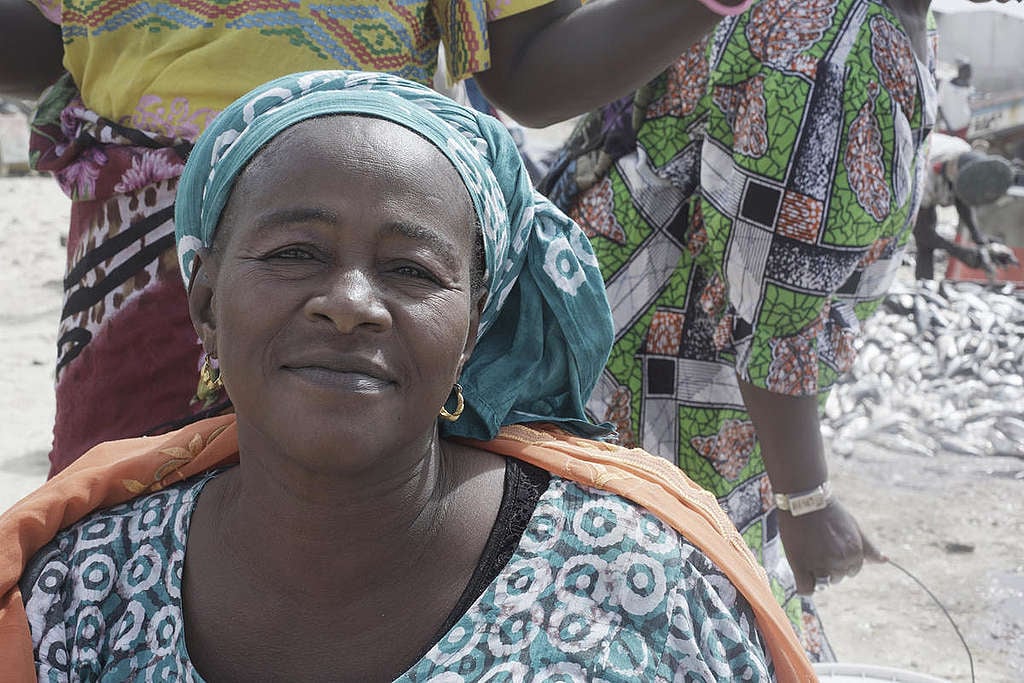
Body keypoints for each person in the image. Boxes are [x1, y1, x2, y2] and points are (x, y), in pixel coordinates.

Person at [0, 71, 815, 681]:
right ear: (207, 303)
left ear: (474, 326)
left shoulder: (641, 586)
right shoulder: (82, 593)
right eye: (295, 253)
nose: (351, 304)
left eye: (411, 270)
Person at [0, 0, 756, 476]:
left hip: (373, 217)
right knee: (124, 540)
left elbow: (524, 65)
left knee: (367, 538)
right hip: (133, 266)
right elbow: (66, 37)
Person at [538, 0, 961, 658]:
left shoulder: (870, 22)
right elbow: (772, 307)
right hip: (663, 375)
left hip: (664, 360)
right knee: (688, 617)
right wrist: (805, 501)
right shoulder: (828, 49)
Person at [914, 132, 1018, 279]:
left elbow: (963, 201)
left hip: (939, 175)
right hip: (912, 178)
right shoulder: (925, 177)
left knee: (928, 238)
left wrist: (980, 239)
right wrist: (958, 251)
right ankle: (923, 283)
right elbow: (921, 231)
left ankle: (924, 283)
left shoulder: (964, 153)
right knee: (925, 238)